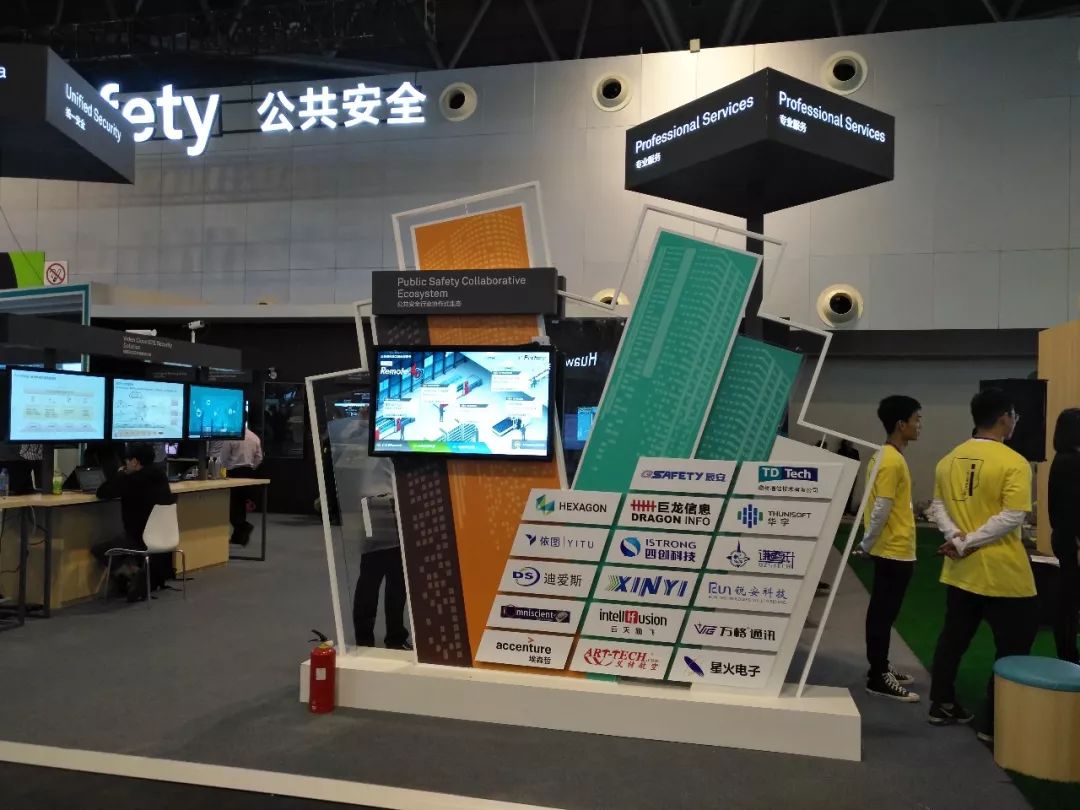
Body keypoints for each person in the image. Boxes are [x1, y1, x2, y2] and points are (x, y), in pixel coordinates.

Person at [927, 388, 1038, 742]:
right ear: (1005, 417)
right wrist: (966, 541)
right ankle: (994, 723)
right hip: (1005, 574)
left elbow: (937, 506)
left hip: (961, 571)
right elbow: (1014, 515)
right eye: (1014, 416)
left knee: (953, 639)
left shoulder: (948, 459)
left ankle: (941, 703)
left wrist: (956, 538)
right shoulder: (1014, 462)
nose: (1015, 421)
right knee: (1014, 647)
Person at [860, 395, 922, 702]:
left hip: (895, 549)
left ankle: (881, 666)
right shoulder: (890, 459)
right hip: (891, 550)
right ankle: (877, 676)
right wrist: (867, 544)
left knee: (884, 613)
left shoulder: (887, 457)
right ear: (901, 424)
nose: (919, 425)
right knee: (882, 614)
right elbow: (881, 507)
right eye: (916, 419)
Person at [91, 442, 177, 603]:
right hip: (165, 536)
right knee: (122, 544)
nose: (126, 464)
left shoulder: (131, 480)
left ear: (135, 462)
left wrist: (120, 474)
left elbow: (102, 492)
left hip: (139, 538)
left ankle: (133, 574)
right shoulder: (161, 476)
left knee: (99, 549)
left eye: (127, 461)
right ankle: (135, 577)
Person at [353, 456, 411, 650]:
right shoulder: (389, 445)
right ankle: (393, 637)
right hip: (386, 504)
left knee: (371, 576)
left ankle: (366, 639)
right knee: (393, 577)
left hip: (369, 504)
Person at [1048, 407, 1080, 663]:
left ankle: (1067, 652)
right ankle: (1069, 655)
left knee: (1068, 599)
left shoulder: (1062, 459)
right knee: (1069, 602)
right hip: (1072, 539)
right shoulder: (1072, 462)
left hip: (1064, 537)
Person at [210, 426, 263, 546]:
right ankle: (238, 537)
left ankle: (244, 527)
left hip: (234, 473)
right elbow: (259, 457)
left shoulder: (232, 437)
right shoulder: (254, 437)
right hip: (249, 473)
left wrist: (224, 469)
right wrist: (252, 467)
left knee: (233, 505)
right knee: (240, 505)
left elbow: (223, 457)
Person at [838, 439, 862, 514]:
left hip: (853, 474)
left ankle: (847, 509)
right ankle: (840, 509)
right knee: (841, 492)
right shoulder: (841, 451)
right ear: (845, 444)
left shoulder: (855, 452)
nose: (850, 444)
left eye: (851, 443)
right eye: (848, 443)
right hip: (844, 474)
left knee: (850, 493)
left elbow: (858, 462)